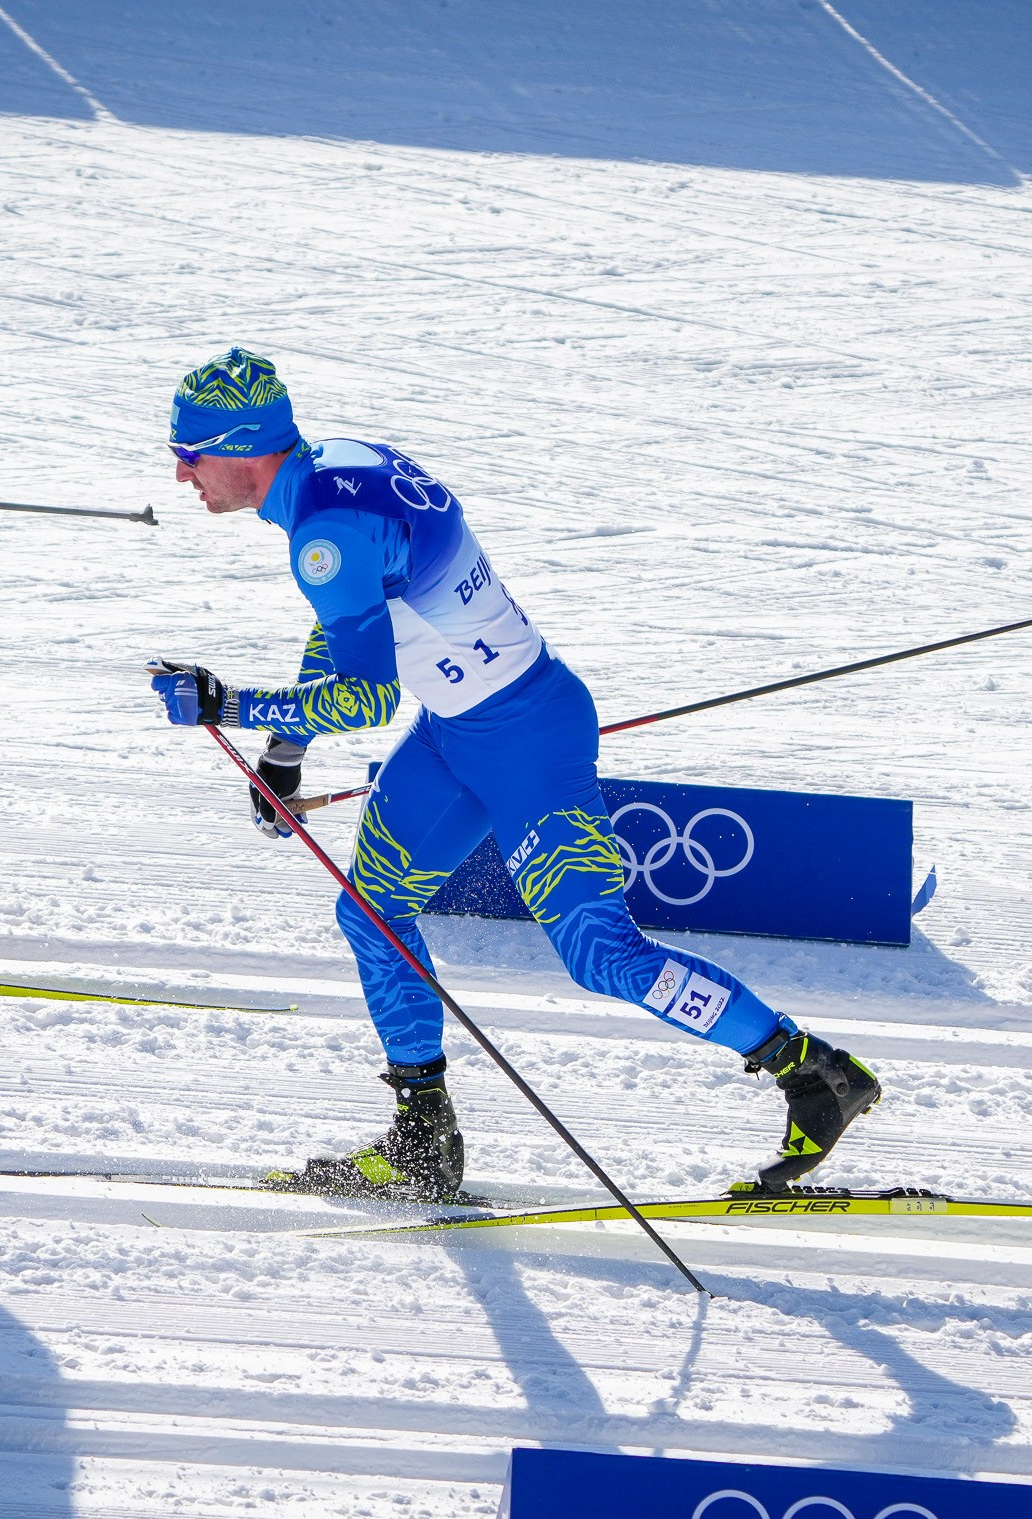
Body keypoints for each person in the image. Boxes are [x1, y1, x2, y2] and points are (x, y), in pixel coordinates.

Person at [148, 348, 881, 1199]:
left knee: (603, 956)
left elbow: (370, 693)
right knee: (372, 914)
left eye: (190, 453)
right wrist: (285, 751)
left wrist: (230, 705)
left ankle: (814, 1073)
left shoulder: (323, 534)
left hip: (527, 738)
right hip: (456, 734)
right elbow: (357, 626)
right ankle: (424, 1139)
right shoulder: (333, 470)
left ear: (240, 447)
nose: (180, 473)